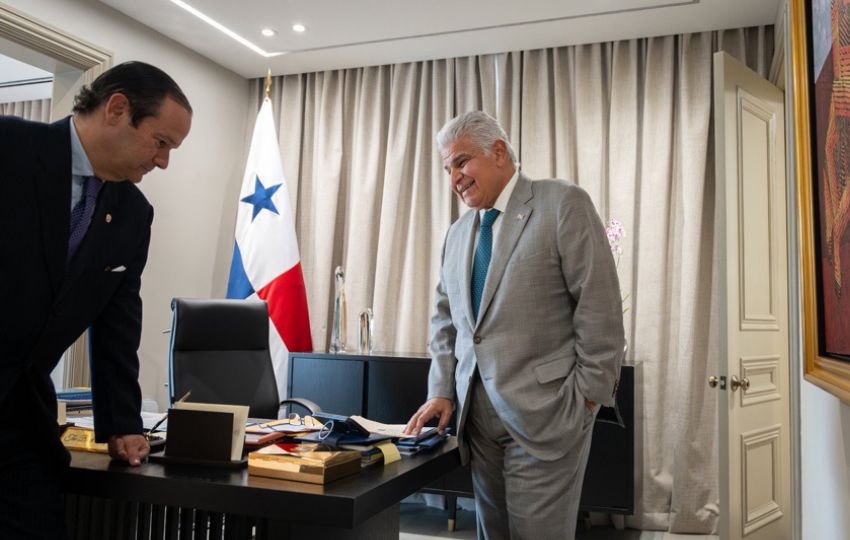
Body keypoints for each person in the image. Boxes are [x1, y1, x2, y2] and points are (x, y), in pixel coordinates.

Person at [405, 111, 624, 539]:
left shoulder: (562, 204)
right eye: (448, 169)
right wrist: (441, 390)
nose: (454, 178)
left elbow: (600, 308)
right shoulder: (457, 234)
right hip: (477, 422)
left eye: (461, 161)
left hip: (549, 415)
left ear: (499, 152)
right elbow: (446, 321)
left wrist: (587, 399)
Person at [0, 61, 192, 539]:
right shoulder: (10, 147)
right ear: (117, 109)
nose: (163, 162)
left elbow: (117, 321)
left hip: (23, 422)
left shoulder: (133, 213)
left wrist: (122, 422)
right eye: (161, 142)